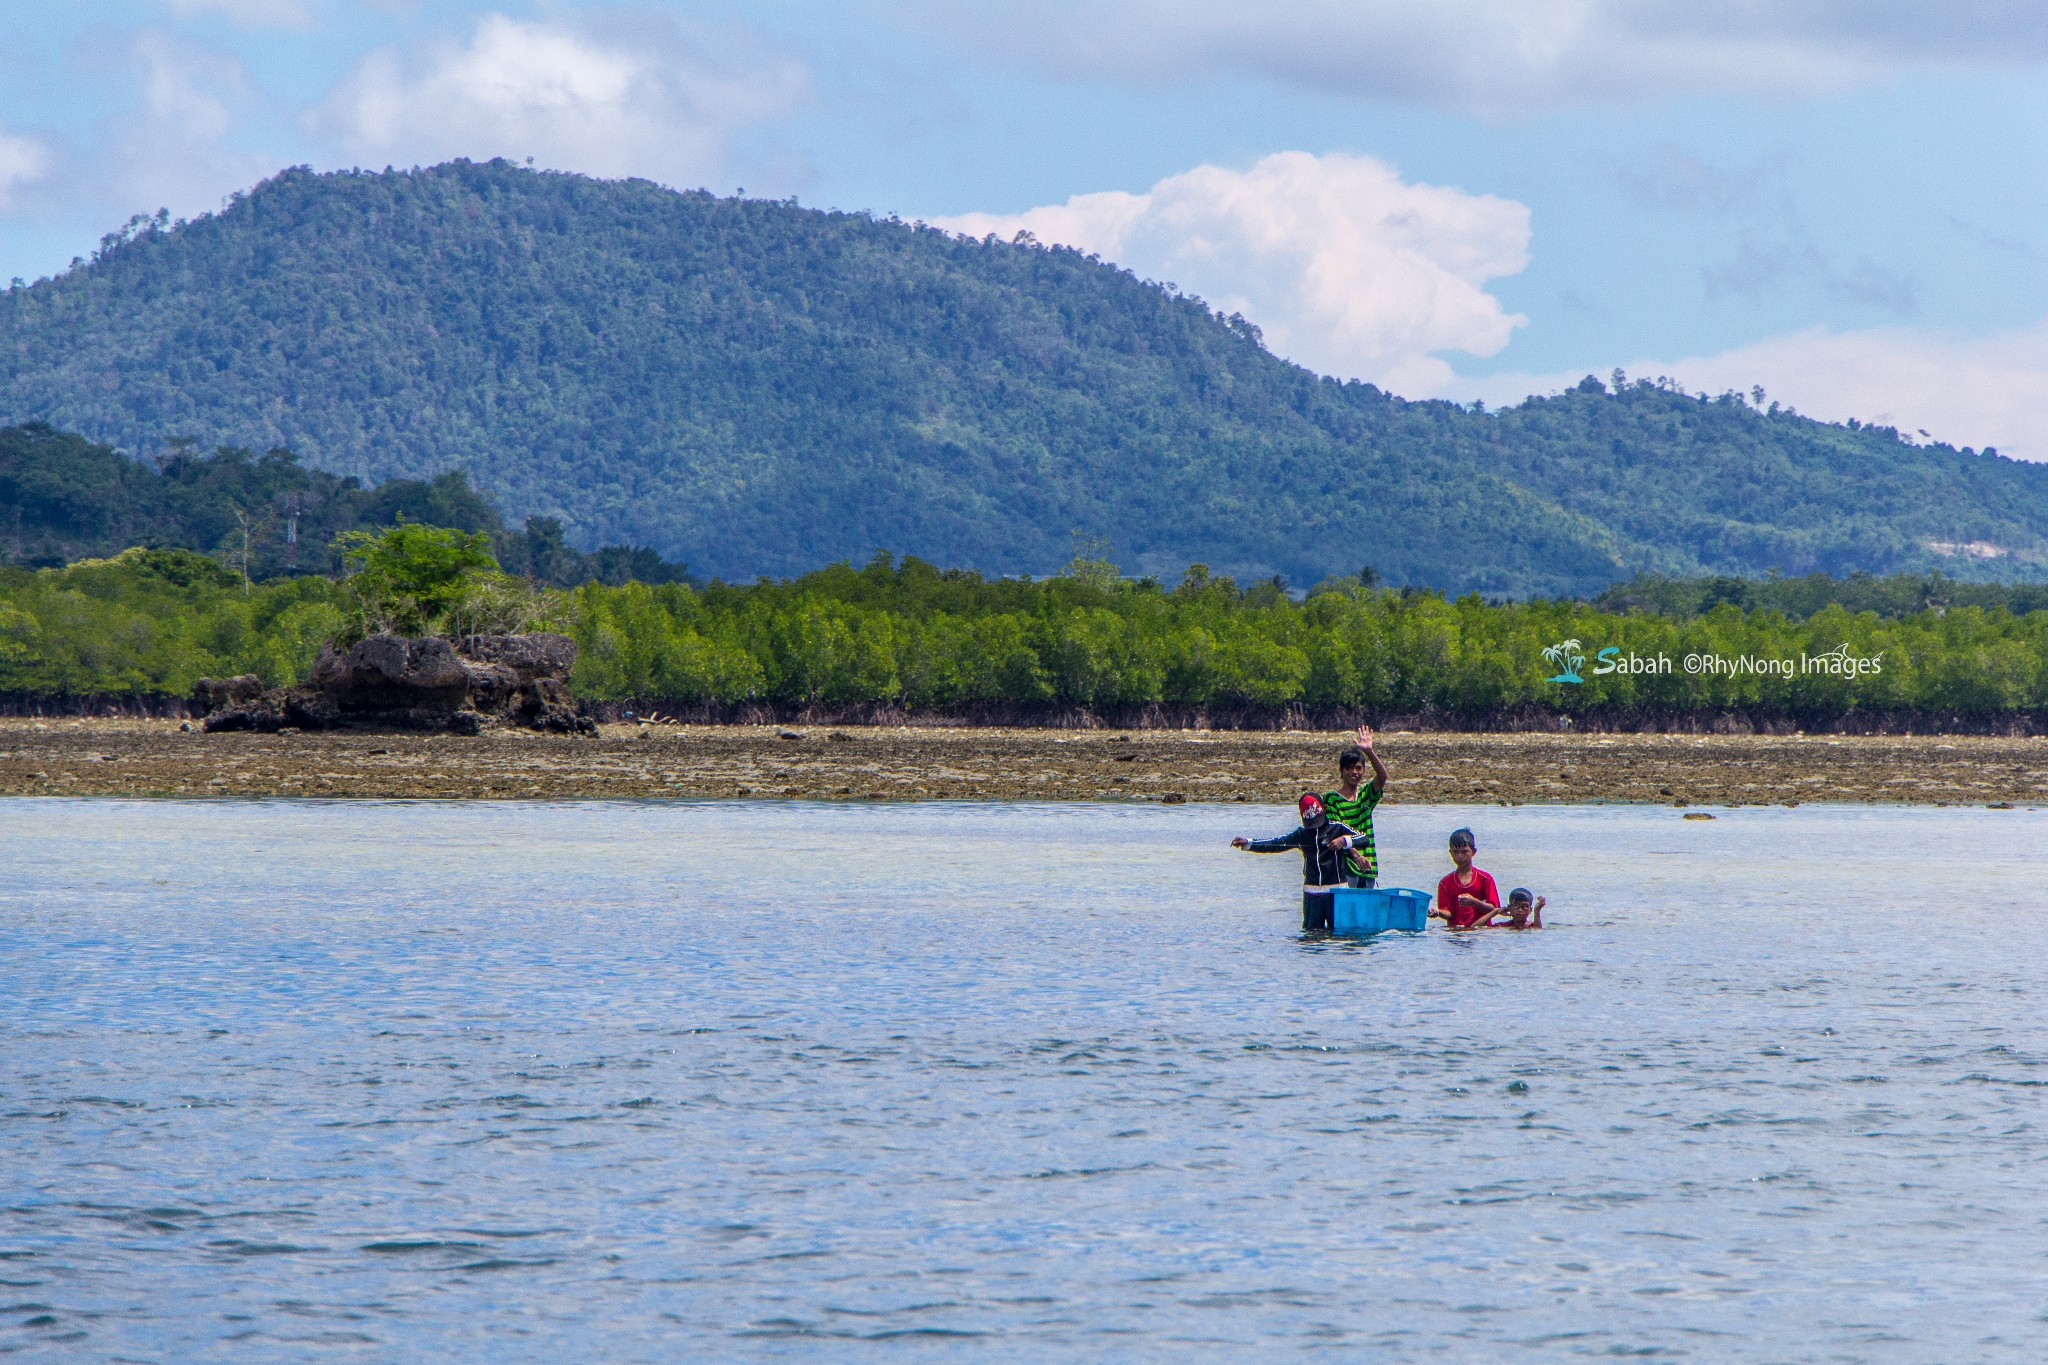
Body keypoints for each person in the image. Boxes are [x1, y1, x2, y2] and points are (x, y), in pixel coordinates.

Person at [1232, 793, 1367, 934]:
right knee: (1310, 937)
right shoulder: (1301, 834)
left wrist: (1344, 841)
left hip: (1337, 892)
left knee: (1341, 935)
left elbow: (1364, 838)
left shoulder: (1337, 828)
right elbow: (1276, 843)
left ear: (1325, 809)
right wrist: (1249, 843)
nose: (1314, 827)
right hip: (1312, 894)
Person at [1322, 724, 1389, 888]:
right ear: (1341, 770)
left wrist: (1369, 751)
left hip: (1369, 866)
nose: (1354, 772)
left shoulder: (1366, 794)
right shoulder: (1332, 798)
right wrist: (1356, 857)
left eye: (1358, 768)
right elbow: (1336, 832)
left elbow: (1383, 777)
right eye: (1349, 768)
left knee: (1367, 913)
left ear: (1364, 770)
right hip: (1346, 867)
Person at [1432, 827, 1500, 930]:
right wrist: (1437, 912)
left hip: (1481, 933)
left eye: (1464, 852)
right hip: (1456, 933)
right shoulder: (1445, 883)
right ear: (1450, 853)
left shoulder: (1485, 878)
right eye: (1456, 852)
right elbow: (1448, 913)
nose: (1459, 856)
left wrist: (1474, 902)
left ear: (1473, 852)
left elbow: (1495, 909)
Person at [1474, 887, 1545, 930]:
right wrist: (1495, 911)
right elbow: (1475, 927)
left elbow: (1537, 931)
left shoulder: (1532, 926)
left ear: (1530, 910)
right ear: (1509, 908)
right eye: (1516, 906)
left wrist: (1537, 911)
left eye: (1525, 906)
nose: (1520, 910)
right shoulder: (1503, 926)